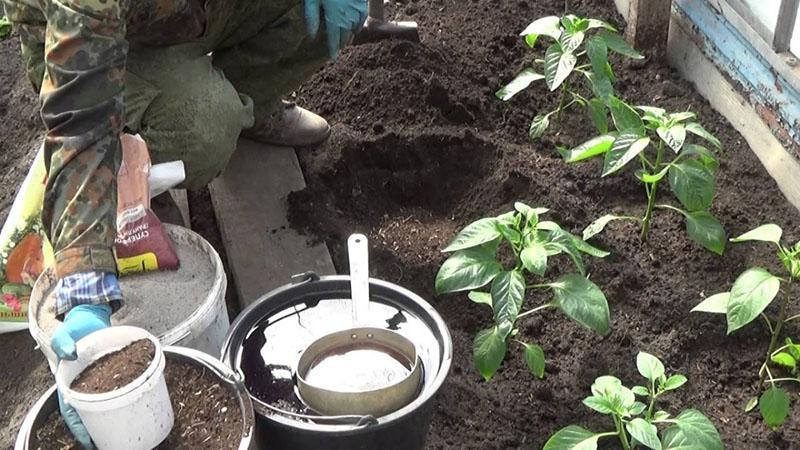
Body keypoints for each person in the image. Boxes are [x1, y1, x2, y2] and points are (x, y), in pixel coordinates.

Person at [1, 0, 368, 447]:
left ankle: (253, 102)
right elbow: (80, 126)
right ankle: (141, 162)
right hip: (97, 51)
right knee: (204, 126)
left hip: (188, 15)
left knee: (306, 14)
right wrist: (84, 291)